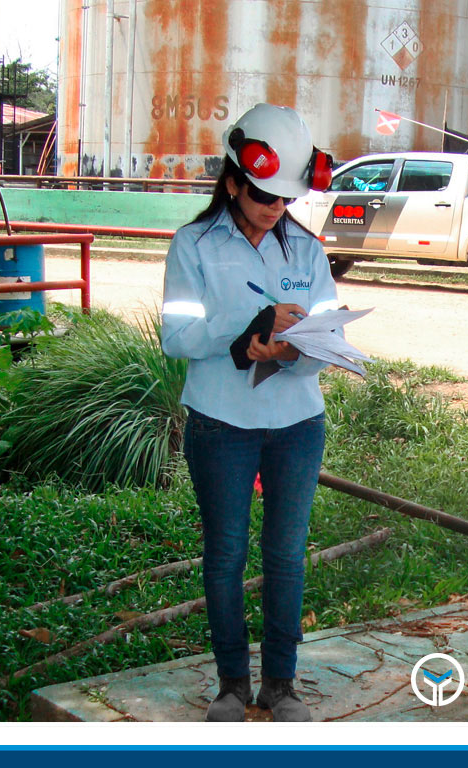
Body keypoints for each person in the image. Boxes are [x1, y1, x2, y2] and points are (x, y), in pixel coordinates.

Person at [160, 103, 339, 722]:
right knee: (227, 556)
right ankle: (232, 684)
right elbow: (176, 336)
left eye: (285, 200)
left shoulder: (308, 253)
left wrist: (294, 349)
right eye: (263, 194)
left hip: (297, 424)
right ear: (233, 180)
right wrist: (240, 336)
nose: (274, 208)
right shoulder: (194, 245)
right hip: (220, 424)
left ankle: (281, 686)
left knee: (288, 556)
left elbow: (325, 335)